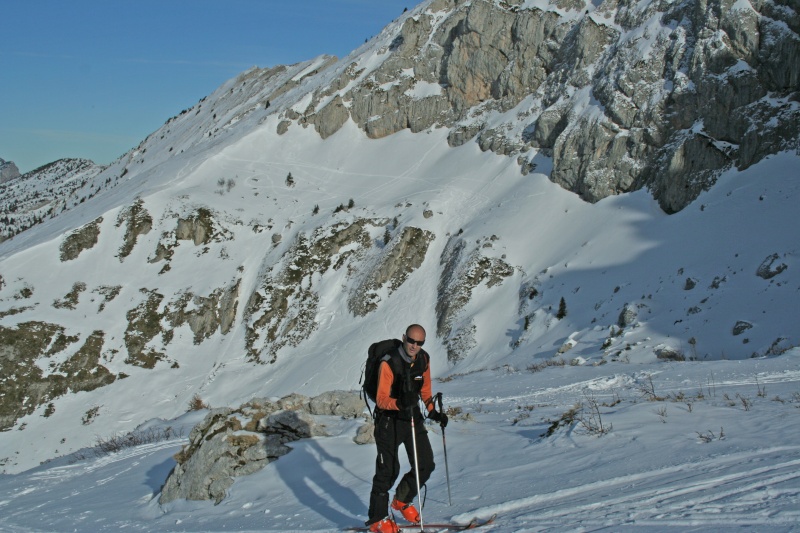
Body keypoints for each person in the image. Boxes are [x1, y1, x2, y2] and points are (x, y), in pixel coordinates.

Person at [365, 324, 449, 533]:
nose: (414, 346)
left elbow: (426, 390)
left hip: (412, 419)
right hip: (389, 422)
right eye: (411, 341)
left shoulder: (423, 360)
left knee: (425, 464)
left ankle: (401, 500)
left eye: (419, 343)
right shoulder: (389, 362)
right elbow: (382, 399)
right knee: (388, 471)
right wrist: (400, 403)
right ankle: (377, 519)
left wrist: (433, 412)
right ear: (404, 338)